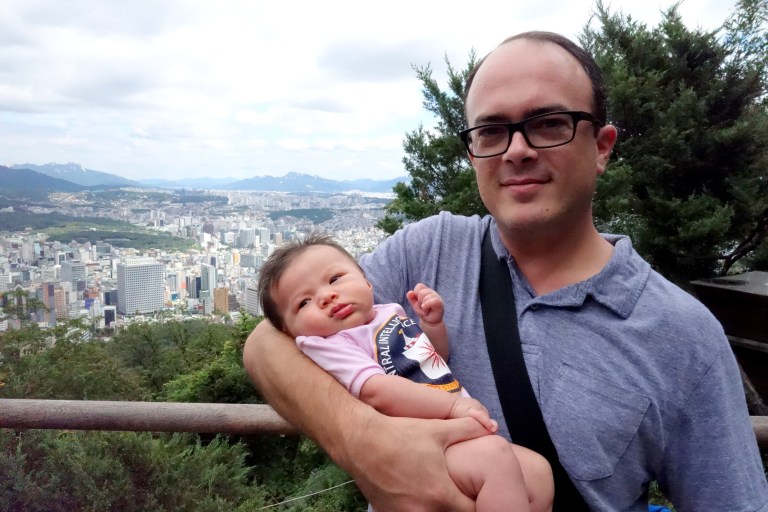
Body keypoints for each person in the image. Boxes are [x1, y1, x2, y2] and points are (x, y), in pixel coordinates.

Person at [244, 31, 768, 511]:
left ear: (602, 146)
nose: (516, 151)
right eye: (491, 131)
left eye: (548, 124)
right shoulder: (429, 249)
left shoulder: (681, 335)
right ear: (473, 152)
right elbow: (267, 345)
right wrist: (366, 443)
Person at [256, 233, 554, 512]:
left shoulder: (388, 313)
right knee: (496, 460)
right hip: (423, 445)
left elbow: (431, 361)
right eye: (304, 302)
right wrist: (452, 406)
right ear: (289, 330)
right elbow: (375, 390)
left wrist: (432, 327)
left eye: (335, 279)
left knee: (538, 472)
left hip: (461, 433)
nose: (327, 296)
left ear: (367, 282)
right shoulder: (332, 345)